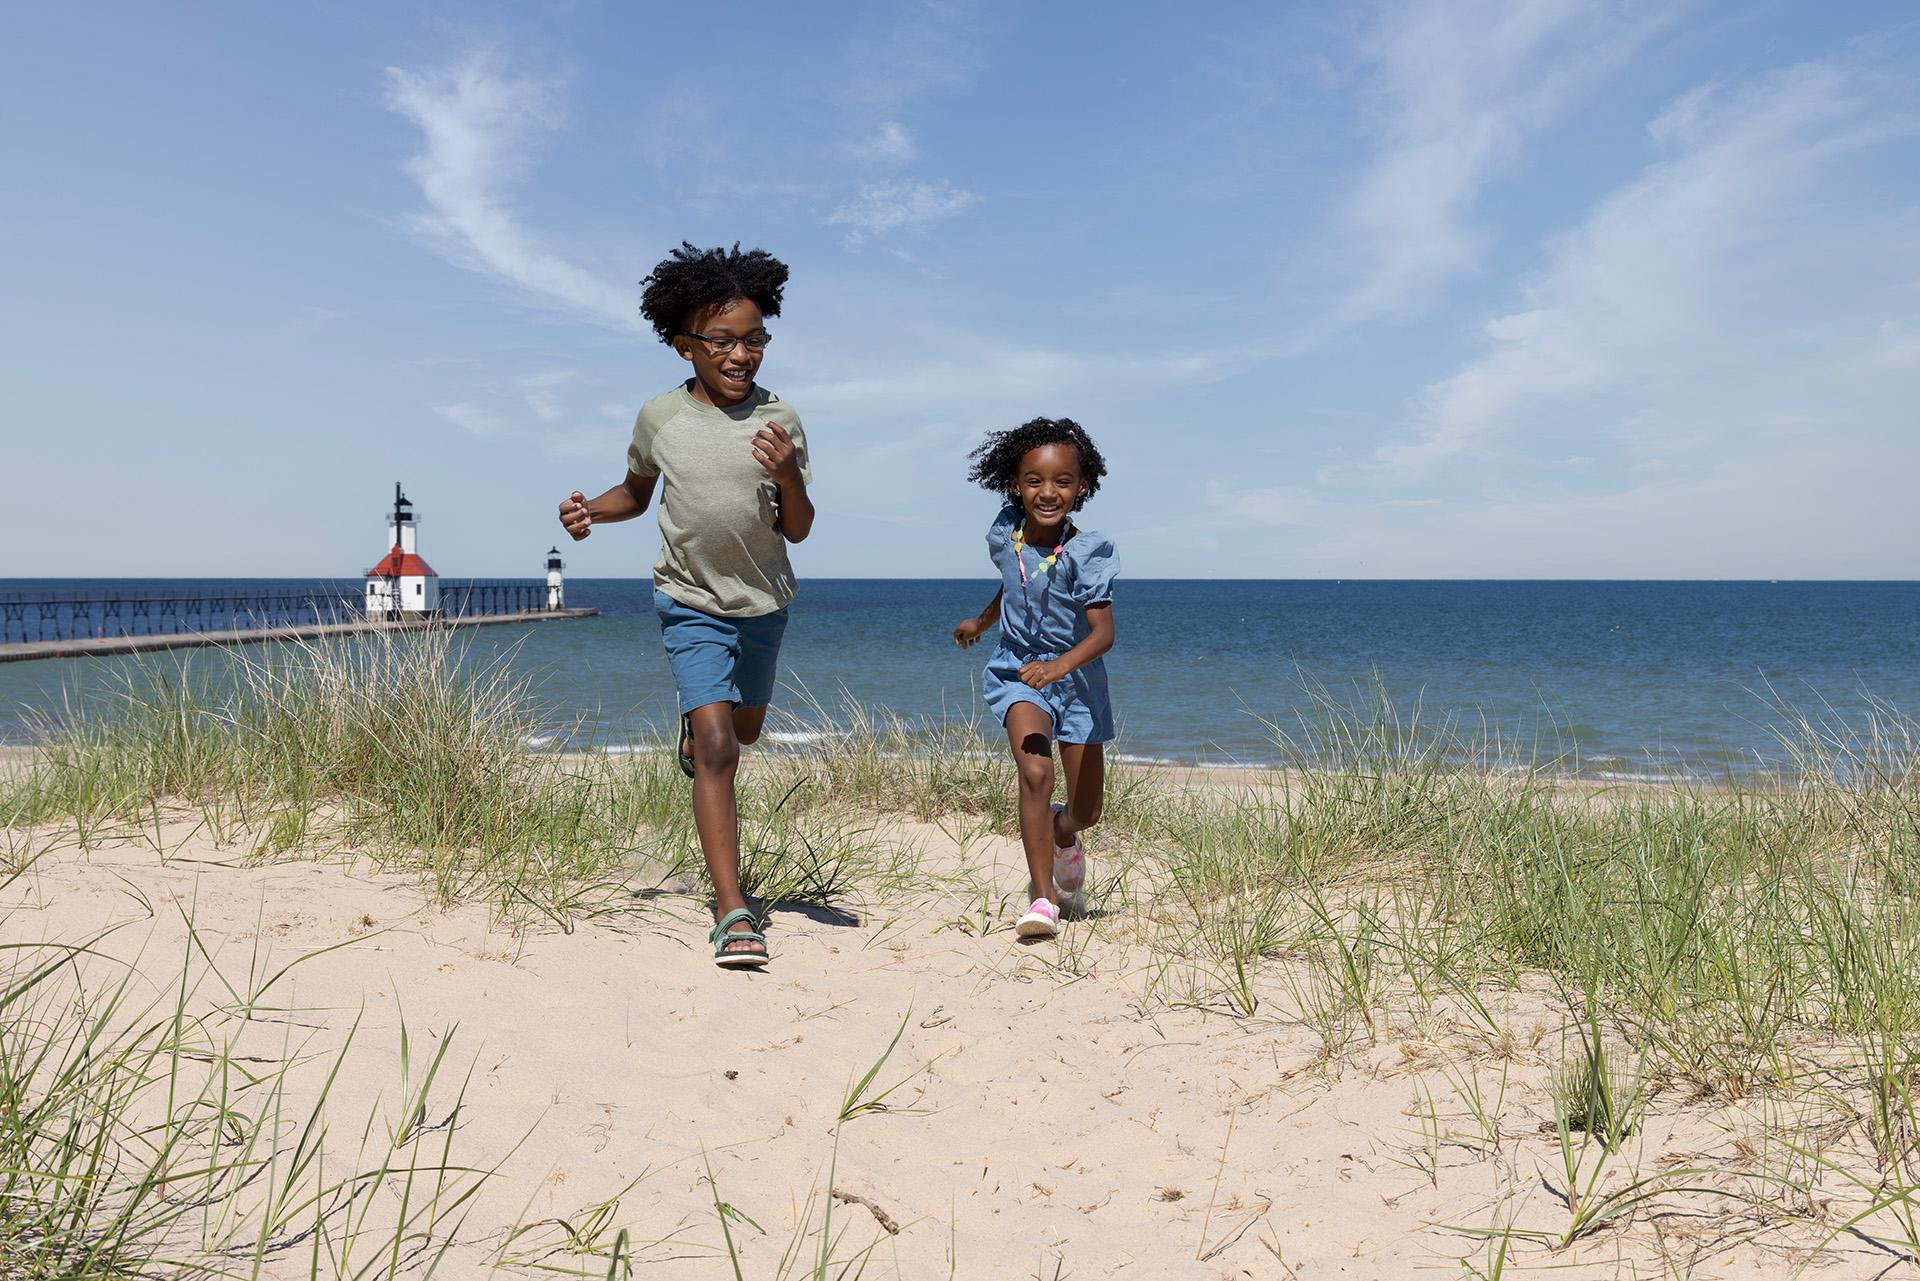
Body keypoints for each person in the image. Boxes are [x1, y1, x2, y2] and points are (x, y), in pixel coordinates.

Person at [558, 242, 813, 969]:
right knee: (719, 748)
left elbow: (798, 527)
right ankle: (732, 909)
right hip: (689, 599)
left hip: (762, 601)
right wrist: (591, 510)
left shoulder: (781, 419)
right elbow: (636, 494)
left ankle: (700, 729)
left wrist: (789, 474)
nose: (741, 354)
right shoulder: (660, 417)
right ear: (685, 345)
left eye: (755, 339)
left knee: (746, 729)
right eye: (723, 341)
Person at [952, 417, 1116, 939]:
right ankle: (1043, 899)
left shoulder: (1086, 554)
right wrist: (982, 622)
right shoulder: (1008, 534)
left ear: (1081, 487)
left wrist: (1059, 667)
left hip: (1076, 678)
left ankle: (1063, 832)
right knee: (1036, 773)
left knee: (1087, 811)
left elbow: (1104, 633)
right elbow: (1014, 584)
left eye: (1063, 481)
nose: (1048, 492)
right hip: (1020, 672)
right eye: (1035, 481)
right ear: (1016, 485)